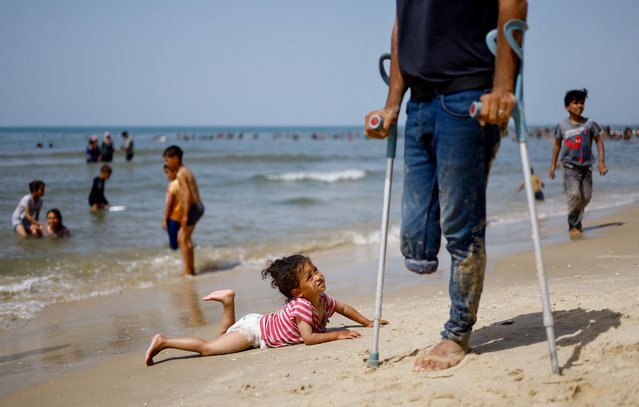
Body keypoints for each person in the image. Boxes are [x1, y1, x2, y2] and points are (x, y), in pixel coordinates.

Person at [364, 0, 527, 371]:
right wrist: (392, 104)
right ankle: (430, 265)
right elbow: (400, 28)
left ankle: (457, 334)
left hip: (467, 94)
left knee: (461, 227)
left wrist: (503, 86)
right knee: (415, 242)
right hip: (418, 103)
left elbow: (512, 3)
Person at [145, 255, 388, 366]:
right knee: (209, 349)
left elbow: (344, 307)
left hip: (258, 322)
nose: (318, 275)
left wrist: (367, 322)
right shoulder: (302, 307)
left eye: (315, 270)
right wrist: (337, 334)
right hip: (254, 331)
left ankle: (228, 301)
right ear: (298, 293)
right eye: (310, 275)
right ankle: (164, 341)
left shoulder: (322, 300)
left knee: (220, 339)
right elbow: (309, 338)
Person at [549, 88, 607, 239]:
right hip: (569, 167)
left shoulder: (590, 123)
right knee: (574, 195)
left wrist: (601, 162)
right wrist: (553, 165)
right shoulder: (562, 125)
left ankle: (577, 217)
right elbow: (556, 145)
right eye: (575, 103)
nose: (579, 106)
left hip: (586, 167)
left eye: (582, 103)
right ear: (567, 107)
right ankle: (573, 225)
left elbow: (599, 142)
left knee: (586, 197)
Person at [163, 145, 204, 276]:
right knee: (186, 239)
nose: (166, 163)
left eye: (167, 160)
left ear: (176, 158)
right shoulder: (186, 170)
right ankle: (190, 268)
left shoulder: (181, 173)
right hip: (197, 206)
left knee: (182, 239)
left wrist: (185, 215)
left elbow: (186, 194)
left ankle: (188, 270)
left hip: (193, 208)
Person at [162, 164, 182, 250]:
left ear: (174, 172)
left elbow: (169, 204)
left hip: (173, 217)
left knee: (173, 244)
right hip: (183, 216)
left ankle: (174, 260)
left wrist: (165, 219)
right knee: (182, 239)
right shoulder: (182, 183)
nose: (166, 175)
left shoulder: (172, 185)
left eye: (167, 172)